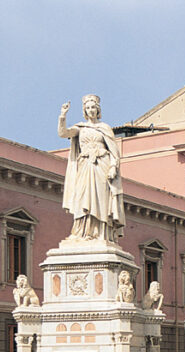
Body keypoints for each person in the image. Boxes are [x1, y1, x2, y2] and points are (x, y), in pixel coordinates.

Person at [58, 94, 125, 244]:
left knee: (100, 199)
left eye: (93, 107)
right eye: (88, 108)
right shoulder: (80, 128)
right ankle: (82, 232)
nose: (91, 110)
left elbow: (115, 152)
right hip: (85, 165)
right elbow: (63, 133)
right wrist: (62, 116)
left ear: (98, 109)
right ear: (84, 110)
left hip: (102, 165)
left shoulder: (105, 128)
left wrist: (113, 167)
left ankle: (100, 232)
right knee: (83, 197)